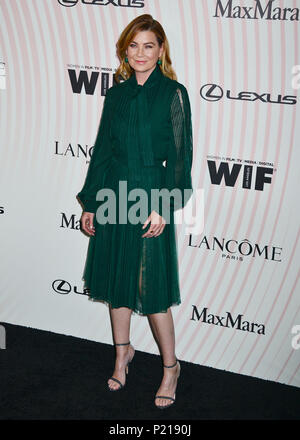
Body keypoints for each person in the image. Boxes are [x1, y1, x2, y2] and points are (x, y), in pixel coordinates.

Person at [77, 14, 193, 409]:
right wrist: (92, 201)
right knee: (117, 283)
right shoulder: (116, 95)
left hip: (151, 197)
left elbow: (180, 159)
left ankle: (171, 367)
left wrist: (164, 206)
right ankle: (122, 353)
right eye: (133, 45)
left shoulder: (174, 94)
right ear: (125, 51)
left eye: (148, 45)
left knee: (153, 290)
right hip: (113, 193)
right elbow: (103, 152)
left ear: (160, 50)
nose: (140, 53)